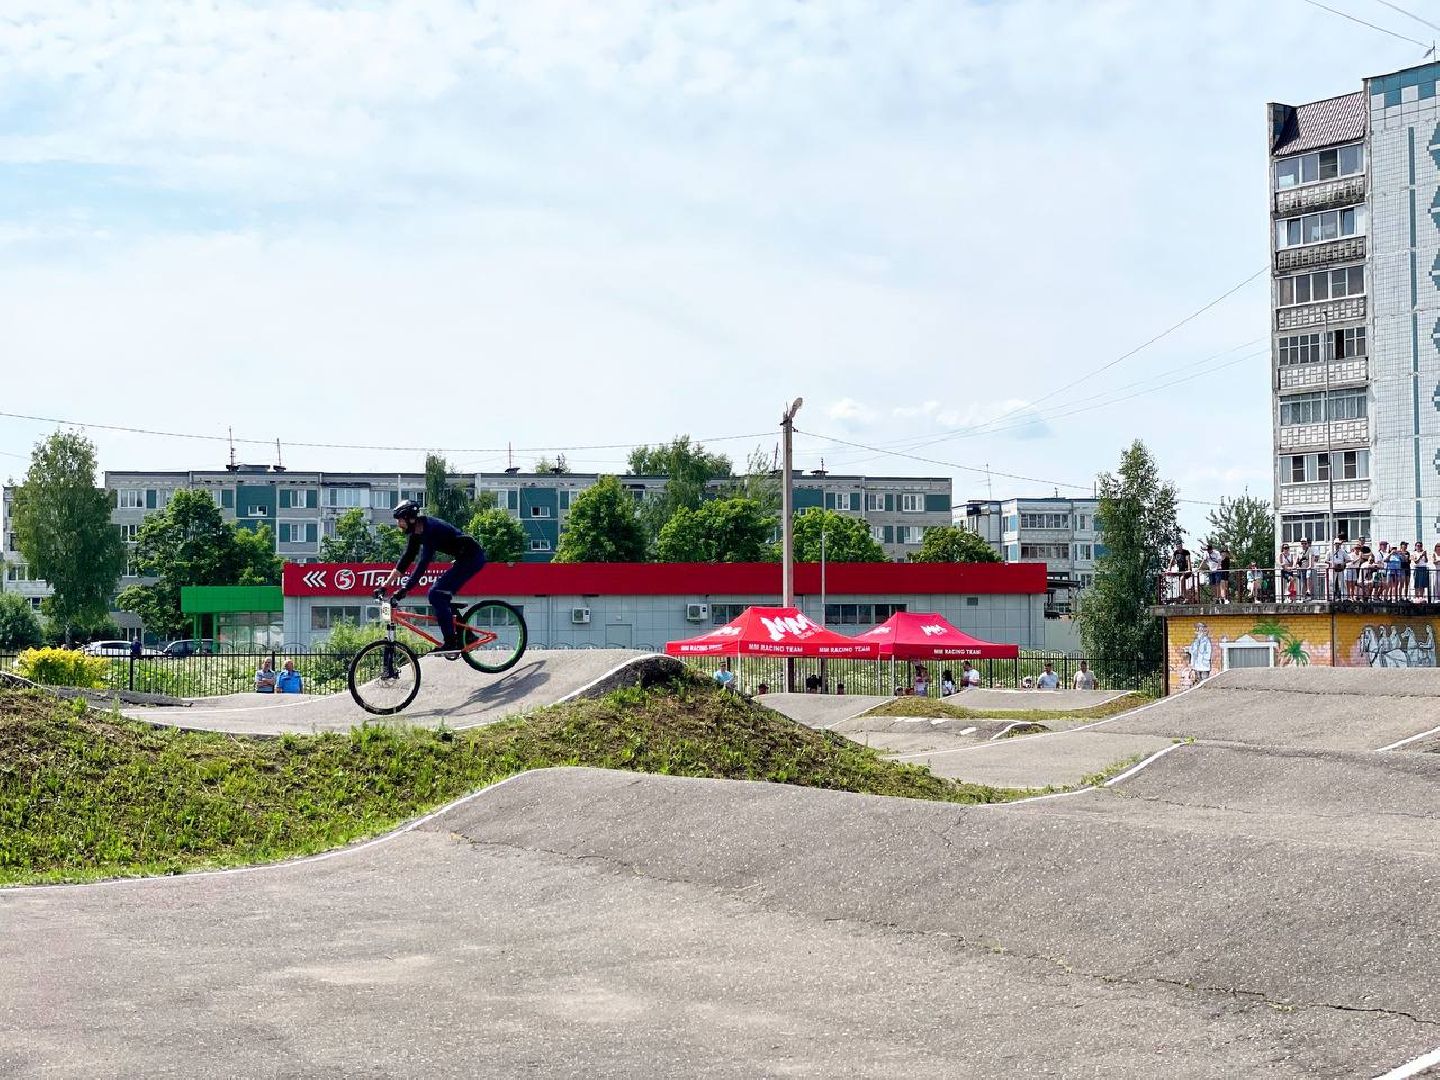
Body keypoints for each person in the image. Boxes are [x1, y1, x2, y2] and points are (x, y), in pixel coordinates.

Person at [383, 500, 487, 657]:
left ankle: (451, 642)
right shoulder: (417, 532)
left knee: (435, 593)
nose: (398, 524)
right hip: (464, 558)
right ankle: (468, 636)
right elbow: (405, 560)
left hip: (472, 558)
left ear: (410, 518)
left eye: (400, 520)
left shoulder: (430, 529)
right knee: (440, 596)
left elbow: (423, 563)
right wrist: (385, 586)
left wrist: (406, 588)